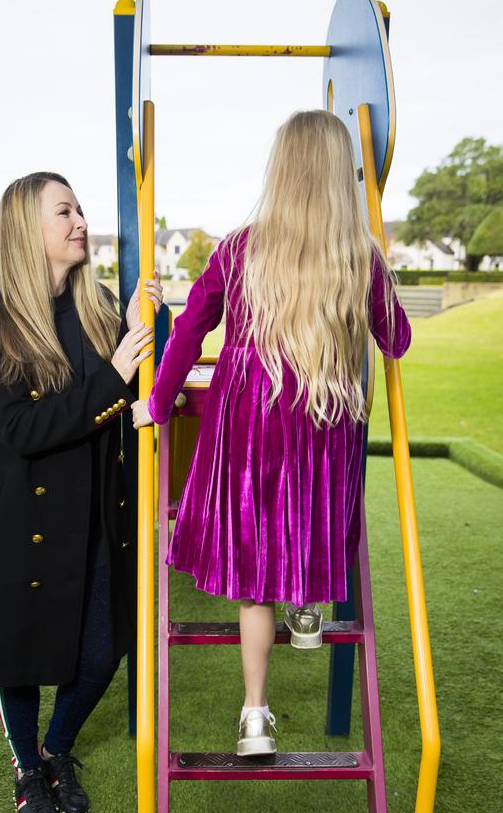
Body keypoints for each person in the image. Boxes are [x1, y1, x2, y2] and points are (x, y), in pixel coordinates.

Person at [132, 110, 411, 756]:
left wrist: (160, 401)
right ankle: (311, 605)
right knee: (315, 504)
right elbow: (396, 338)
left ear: (280, 173)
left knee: (254, 565)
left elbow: (189, 333)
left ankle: (255, 714)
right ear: (342, 178)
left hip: (249, 428)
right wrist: (379, 275)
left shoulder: (238, 249)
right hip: (321, 418)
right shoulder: (357, 257)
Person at [0, 171, 163, 813]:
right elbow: (21, 428)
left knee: (103, 648)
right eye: (63, 211)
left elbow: (129, 394)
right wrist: (114, 377)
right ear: (27, 229)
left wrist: (150, 322)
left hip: (97, 514)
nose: (79, 221)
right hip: (18, 518)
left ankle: (53, 750)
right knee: (15, 657)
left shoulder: (99, 306)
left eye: (79, 209)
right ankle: (27, 774)